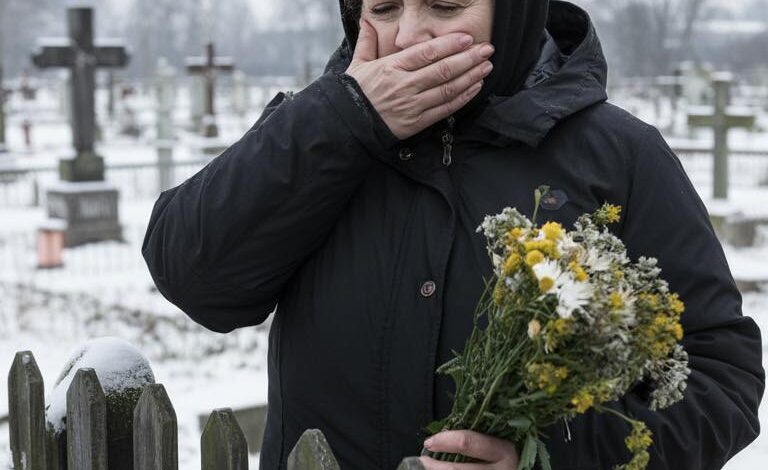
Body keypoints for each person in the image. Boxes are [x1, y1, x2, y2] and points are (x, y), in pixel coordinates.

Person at [142, 0, 765, 468]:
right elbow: (194, 278)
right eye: (383, 6)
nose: (411, 35)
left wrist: (550, 455)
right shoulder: (317, 136)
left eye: (446, 4)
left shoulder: (618, 157)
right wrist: (345, 119)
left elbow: (721, 377)